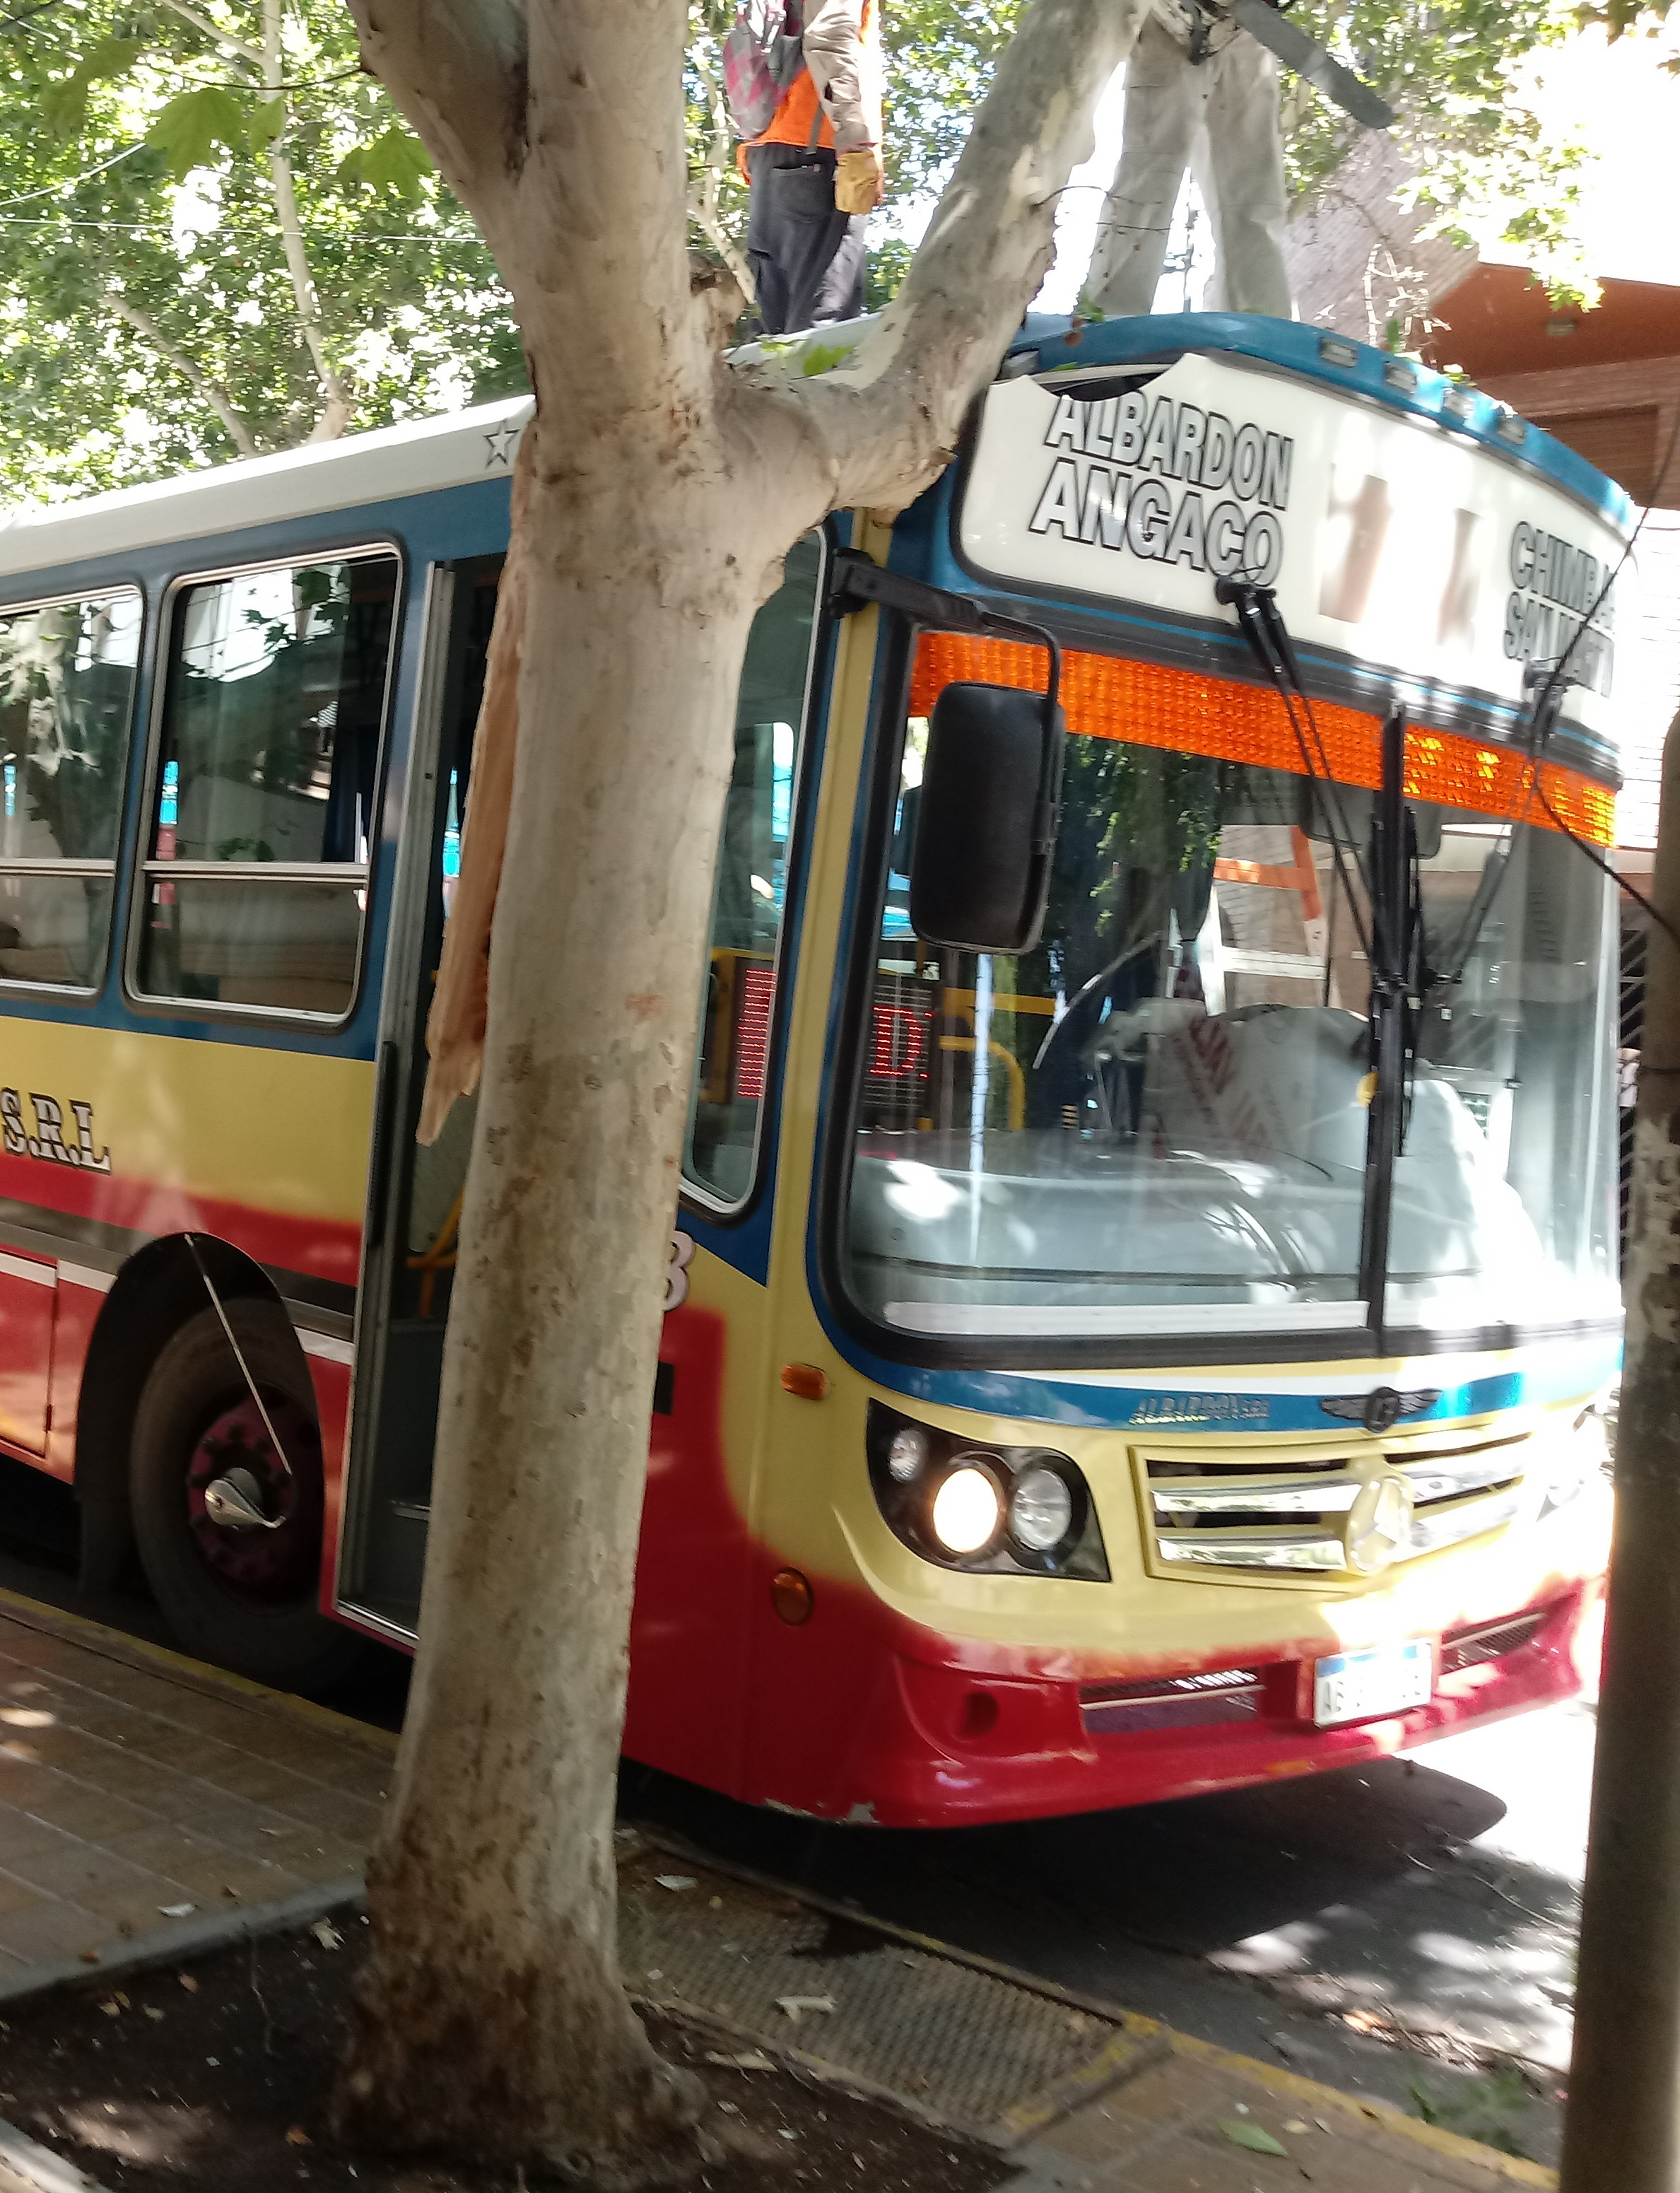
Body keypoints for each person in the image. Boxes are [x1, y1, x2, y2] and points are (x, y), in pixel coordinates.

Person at [1087, 0, 1293, 322]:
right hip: (1171, 23)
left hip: (1248, 31)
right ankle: (1107, 319)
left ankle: (1261, 327)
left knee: (1255, 199)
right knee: (1146, 185)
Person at [742, 0, 885, 337]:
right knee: (825, 323)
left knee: (777, 328)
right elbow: (830, 38)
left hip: (770, 155)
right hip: (818, 151)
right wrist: (855, 142)